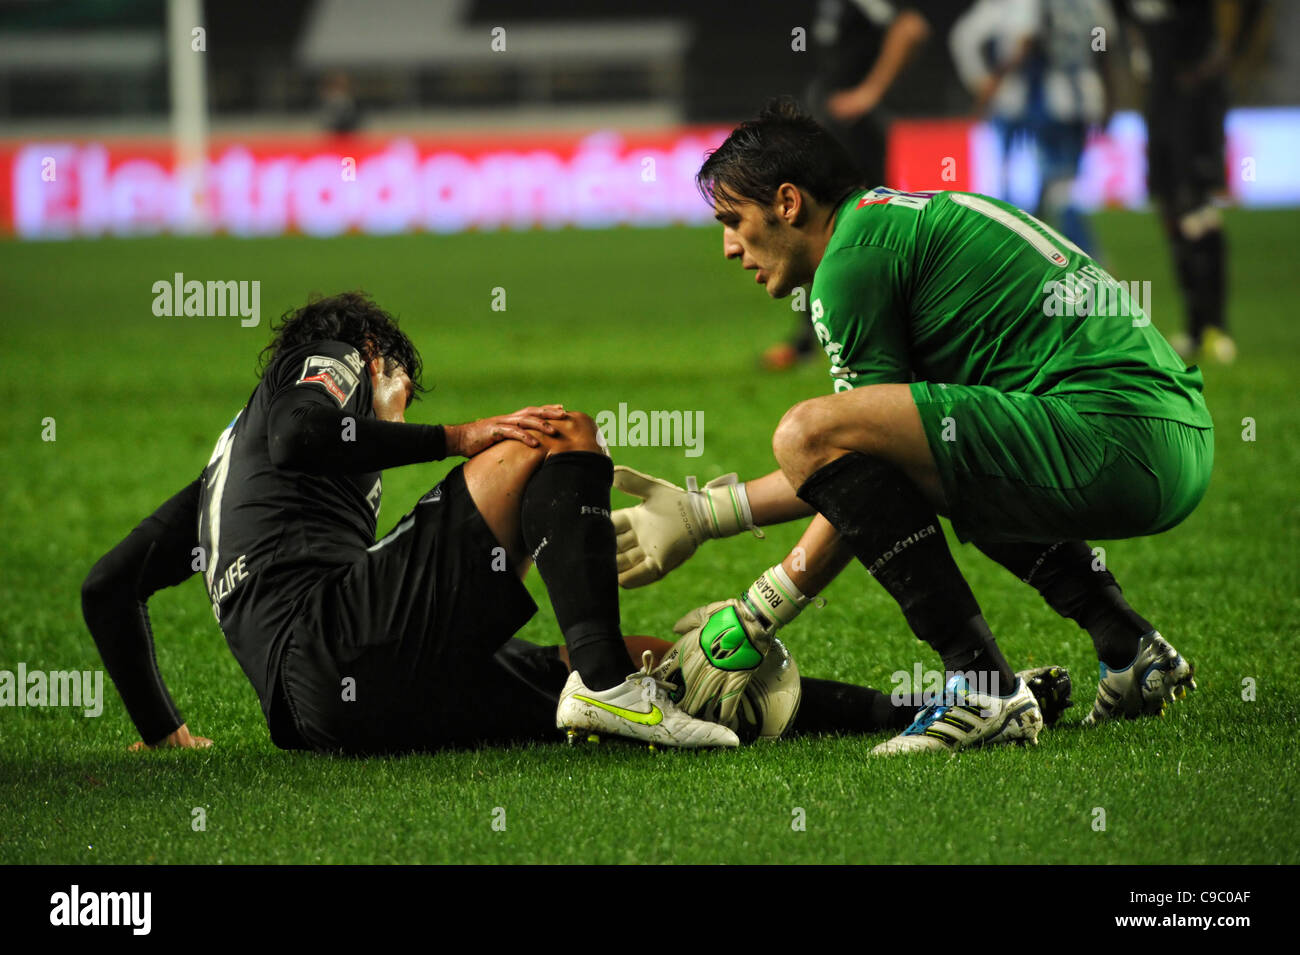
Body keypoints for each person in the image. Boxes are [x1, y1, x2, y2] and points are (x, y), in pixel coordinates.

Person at [613, 100, 1205, 755]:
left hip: (1118, 441)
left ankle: (982, 691)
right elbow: (867, 458)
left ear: (787, 202)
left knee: (806, 431)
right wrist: (704, 513)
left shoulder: (849, 265)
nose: (727, 246)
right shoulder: (890, 226)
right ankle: (1128, 648)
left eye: (732, 220)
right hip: (1166, 437)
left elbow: (848, 458)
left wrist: (755, 613)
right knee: (937, 453)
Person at [81, 291, 738, 754]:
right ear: (373, 355)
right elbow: (301, 430)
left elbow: (108, 585)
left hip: (328, 712)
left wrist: (163, 729)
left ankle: (790, 702)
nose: (395, 413)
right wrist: (458, 436)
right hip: (331, 640)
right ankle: (609, 688)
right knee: (552, 434)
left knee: (622, 668)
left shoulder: (226, 486)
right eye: (398, 383)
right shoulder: (329, 356)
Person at [1118, 0, 1266, 363]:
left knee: (1197, 209)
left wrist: (1229, 55)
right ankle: (1195, 328)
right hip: (1158, 105)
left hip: (1197, 101)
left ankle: (1217, 326)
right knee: (1171, 213)